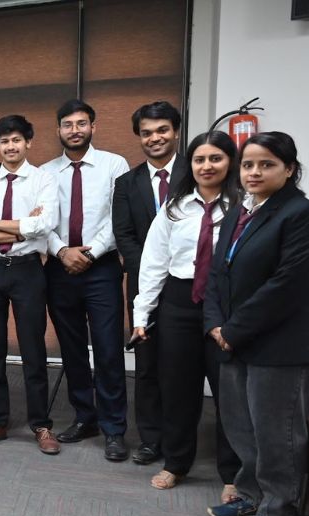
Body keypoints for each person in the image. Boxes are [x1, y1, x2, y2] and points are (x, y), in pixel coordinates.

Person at [204, 132, 309, 516]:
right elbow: (216, 273)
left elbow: (288, 285)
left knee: (277, 432)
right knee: (242, 426)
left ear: (289, 169)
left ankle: (280, 512)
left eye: (266, 164)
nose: (254, 172)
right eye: (248, 165)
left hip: (284, 345)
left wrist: (235, 329)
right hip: (236, 340)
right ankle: (250, 494)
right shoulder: (239, 213)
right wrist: (215, 323)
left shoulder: (303, 215)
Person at [131, 131, 242, 495]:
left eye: (215, 158)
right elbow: (153, 263)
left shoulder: (244, 206)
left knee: (229, 392)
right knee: (178, 389)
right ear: (189, 164)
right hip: (179, 302)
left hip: (225, 304)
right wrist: (142, 314)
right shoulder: (175, 207)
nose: (206, 166)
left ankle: (232, 474)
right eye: (199, 159)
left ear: (230, 163)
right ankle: (176, 463)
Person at [0, 115, 62, 454]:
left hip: (27, 270)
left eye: (17, 140)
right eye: (4, 141)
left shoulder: (43, 180)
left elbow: (46, 224)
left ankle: (41, 425)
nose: (10, 146)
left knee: (33, 349)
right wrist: (21, 226)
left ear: (28, 143)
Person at [42, 100, 131, 461]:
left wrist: (90, 253)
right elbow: (42, 221)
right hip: (59, 269)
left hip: (102, 268)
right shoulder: (46, 172)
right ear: (58, 130)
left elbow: (118, 217)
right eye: (67, 124)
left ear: (93, 127)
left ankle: (114, 429)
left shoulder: (114, 165)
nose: (74, 130)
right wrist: (63, 252)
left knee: (109, 350)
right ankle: (85, 417)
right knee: (73, 349)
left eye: (81, 123)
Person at [113, 101, 184, 466]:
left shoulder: (197, 172)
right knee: (148, 365)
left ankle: (180, 441)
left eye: (162, 130)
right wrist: (153, 273)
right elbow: (124, 236)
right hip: (144, 286)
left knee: (184, 367)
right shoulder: (127, 182)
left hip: (192, 288)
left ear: (175, 131)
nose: (155, 138)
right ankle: (150, 439)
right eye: (146, 133)